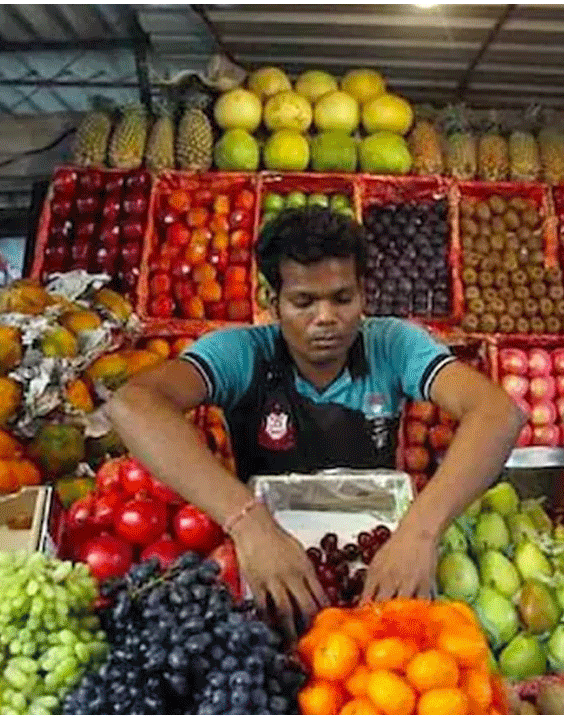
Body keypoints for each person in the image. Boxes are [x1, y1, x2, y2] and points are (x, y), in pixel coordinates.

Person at [107, 207, 525, 635]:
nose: (326, 317)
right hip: (266, 554)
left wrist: (420, 532)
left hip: (373, 554)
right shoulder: (242, 353)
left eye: (342, 299)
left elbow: (498, 414)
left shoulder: (392, 345)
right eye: (303, 301)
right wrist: (248, 523)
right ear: (273, 303)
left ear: (364, 294)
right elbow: (132, 404)